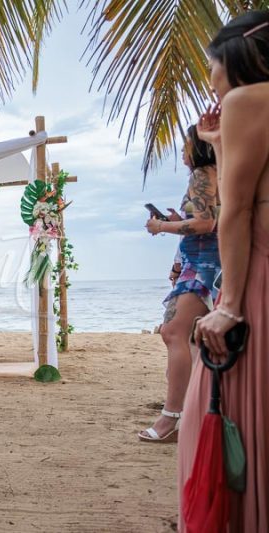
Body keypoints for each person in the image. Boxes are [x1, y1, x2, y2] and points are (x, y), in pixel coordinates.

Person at [181, 11, 269, 531]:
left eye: (210, 65)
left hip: (257, 284)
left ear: (232, 57)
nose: (210, 79)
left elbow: (236, 210)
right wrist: (218, 143)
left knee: (218, 419)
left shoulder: (247, 100)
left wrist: (231, 304)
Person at [139, 126, 220, 443]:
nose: (184, 154)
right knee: (193, 340)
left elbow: (205, 223)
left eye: (186, 146)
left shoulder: (202, 174)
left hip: (203, 263)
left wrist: (162, 225)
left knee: (174, 332)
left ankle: (172, 418)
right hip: (206, 261)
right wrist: (176, 217)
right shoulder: (216, 172)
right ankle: (194, 412)